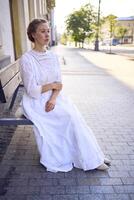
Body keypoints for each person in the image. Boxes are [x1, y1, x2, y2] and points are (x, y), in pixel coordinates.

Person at [19, 18, 111, 173]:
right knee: (69, 117)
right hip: (35, 101)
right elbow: (31, 90)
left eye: (48, 31)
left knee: (76, 117)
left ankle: (94, 156)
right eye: (42, 31)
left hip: (53, 98)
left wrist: (54, 97)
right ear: (33, 35)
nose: (47, 34)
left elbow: (59, 83)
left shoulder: (53, 56)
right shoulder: (27, 59)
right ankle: (89, 159)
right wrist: (52, 87)